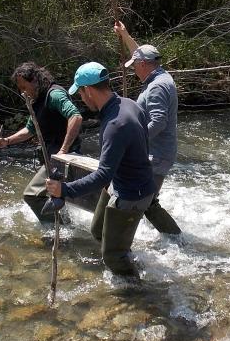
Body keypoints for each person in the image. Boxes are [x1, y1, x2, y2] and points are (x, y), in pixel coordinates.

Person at [45, 62, 157, 278]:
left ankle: (139, 294)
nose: (82, 99)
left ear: (88, 90)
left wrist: (64, 190)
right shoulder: (128, 104)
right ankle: (127, 255)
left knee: (112, 256)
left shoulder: (116, 124)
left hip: (132, 194)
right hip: (124, 182)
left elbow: (102, 175)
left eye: (80, 93)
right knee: (97, 231)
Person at [113, 21, 181, 235]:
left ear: (143, 65)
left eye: (134, 65)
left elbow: (159, 122)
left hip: (156, 155)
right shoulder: (159, 74)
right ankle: (175, 238)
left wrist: (135, 142)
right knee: (148, 200)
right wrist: (125, 34)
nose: (133, 69)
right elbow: (140, 53)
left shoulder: (157, 87)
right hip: (157, 153)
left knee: (142, 201)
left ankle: (174, 238)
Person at [0, 62, 82, 222]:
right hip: (52, 157)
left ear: (34, 80)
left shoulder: (54, 95)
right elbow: (29, 130)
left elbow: (75, 116)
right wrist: (6, 141)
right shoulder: (37, 100)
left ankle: (57, 229)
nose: (22, 92)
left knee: (31, 195)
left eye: (24, 87)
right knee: (48, 194)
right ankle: (64, 223)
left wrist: (63, 151)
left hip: (64, 158)